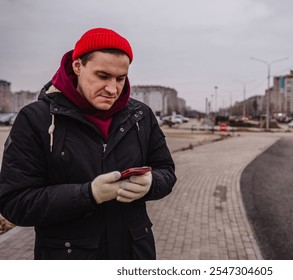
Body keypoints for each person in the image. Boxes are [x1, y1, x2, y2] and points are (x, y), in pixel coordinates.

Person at [0, 28, 176, 260]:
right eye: (102, 76)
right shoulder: (36, 119)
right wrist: (88, 194)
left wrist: (151, 184)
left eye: (120, 79)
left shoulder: (141, 116)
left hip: (135, 255)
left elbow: (167, 171)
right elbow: (16, 203)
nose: (113, 89)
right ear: (78, 67)